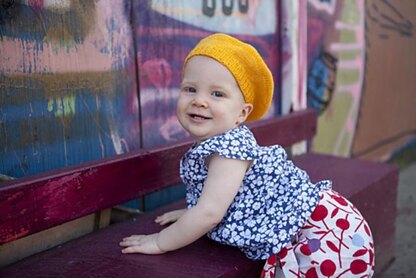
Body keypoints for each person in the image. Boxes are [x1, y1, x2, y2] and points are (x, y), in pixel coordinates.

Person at [120, 33, 375, 277]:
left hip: (317, 239)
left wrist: (161, 242)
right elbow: (218, 201)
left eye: (217, 94)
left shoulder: (229, 151)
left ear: (242, 113)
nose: (199, 101)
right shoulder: (225, 141)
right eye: (190, 89)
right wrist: (192, 213)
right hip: (317, 227)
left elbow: (210, 213)